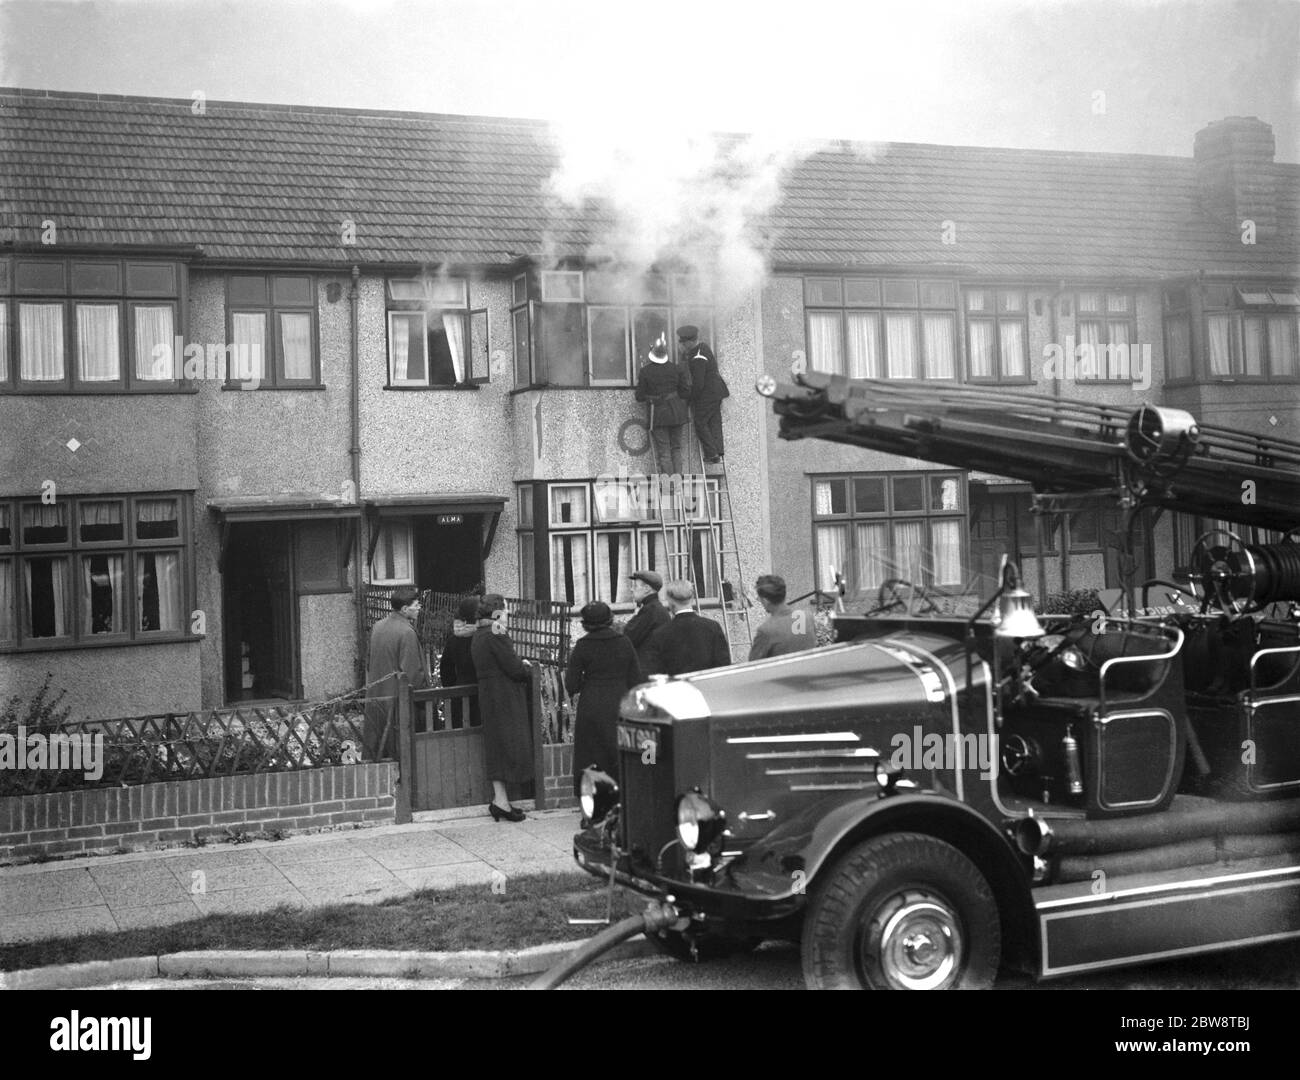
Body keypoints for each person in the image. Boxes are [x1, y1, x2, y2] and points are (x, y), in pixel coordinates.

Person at [565, 601, 643, 796]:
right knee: (619, 752)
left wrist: (586, 682)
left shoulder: (583, 646)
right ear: (610, 619)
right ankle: (621, 799)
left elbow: (571, 684)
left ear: (586, 623)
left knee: (590, 755)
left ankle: (591, 804)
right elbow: (636, 679)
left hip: (591, 704)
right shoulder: (624, 642)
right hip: (620, 702)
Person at [470, 593, 533, 822]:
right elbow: (513, 668)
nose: (508, 614)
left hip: (489, 695)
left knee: (497, 747)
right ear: (496, 612)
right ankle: (501, 802)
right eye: (505, 610)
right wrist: (525, 667)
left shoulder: (479, 633)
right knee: (510, 744)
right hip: (505, 695)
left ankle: (501, 800)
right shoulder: (496, 632)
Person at [363, 586, 428, 760]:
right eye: (416, 604)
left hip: (377, 695)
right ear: (405, 609)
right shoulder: (406, 632)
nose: (419, 607)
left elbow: (369, 661)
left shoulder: (377, 626)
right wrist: (426, 698)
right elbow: (413, 673)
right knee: (402, 752)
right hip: (398, 700)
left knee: (377, 748)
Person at [644, 580, 731, 676]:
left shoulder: (660, 634)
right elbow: (723, 666)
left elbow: (655, 673)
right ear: (692, 598)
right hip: (708, 687)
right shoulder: (713, 627)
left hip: (676, 688)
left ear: (670, 601)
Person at [634, 338, 692, 476]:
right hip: (677, 414)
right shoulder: (676, 369)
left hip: (659, 415)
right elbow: (685, 392)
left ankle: (668, 487)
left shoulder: (645, 371)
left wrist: (652, 397)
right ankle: (678, 483)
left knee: (664, 452)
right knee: (676, 448)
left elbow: (639, 396)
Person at [677, 325, 729, 464]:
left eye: (682, 343)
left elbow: (698, 383)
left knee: (700, 422)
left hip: (708, 393)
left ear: (689, 342)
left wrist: (690, 398)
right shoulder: (703, 348)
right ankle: (718, 451)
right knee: (714, 422)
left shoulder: (697, 356)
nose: (681, 345)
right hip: (717, 391)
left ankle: (711, 454)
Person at [748, 574, 819, 661]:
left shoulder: (766, 630)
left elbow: (753, 666)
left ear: (766, 601)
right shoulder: (807, 617)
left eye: (760, 599)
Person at [438, 595, 482, 729]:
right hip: (482, 693)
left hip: (460, 692)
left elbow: (446, 669)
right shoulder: (483, 637)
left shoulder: (454, 639)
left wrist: (452, 688)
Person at [623, 569, 670, 667]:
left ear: (647, 589)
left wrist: (634, 617)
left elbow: (628, 638)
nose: (632, 589)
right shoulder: (655, 608)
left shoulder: (649, 610)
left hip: (647, 670)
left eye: (635, 586)